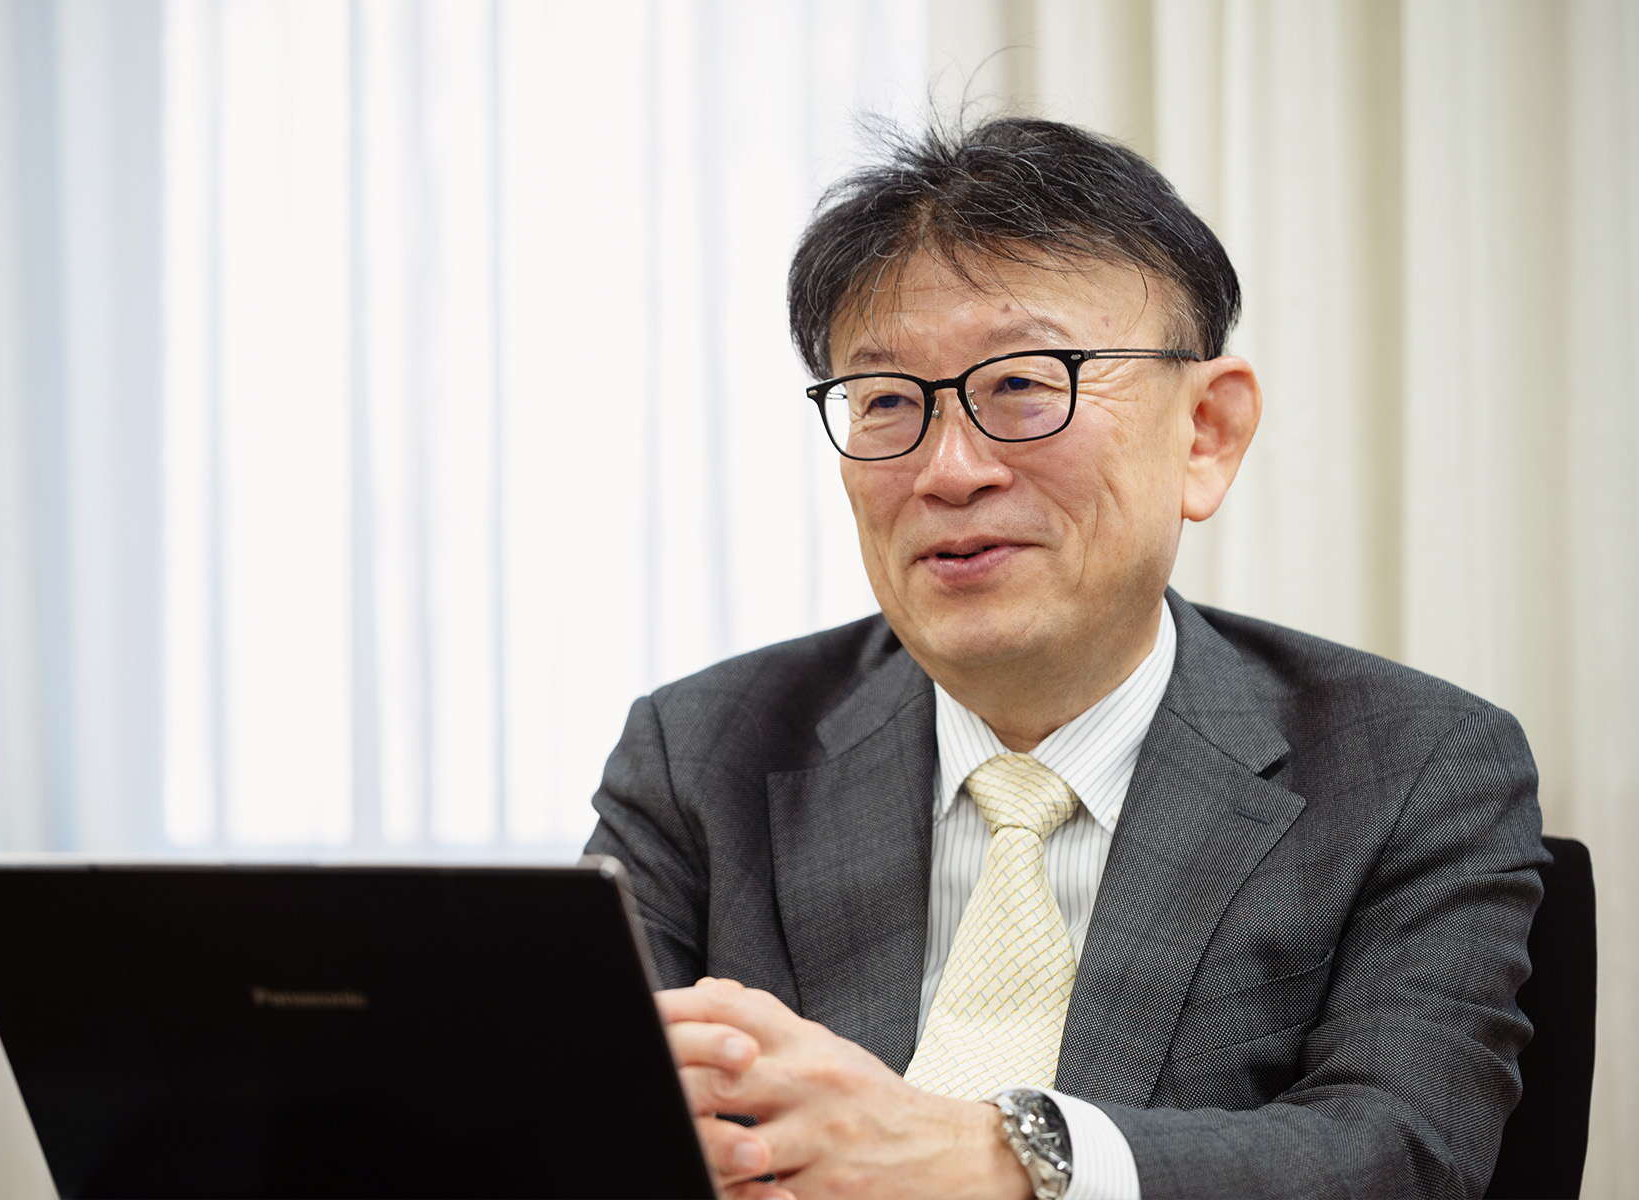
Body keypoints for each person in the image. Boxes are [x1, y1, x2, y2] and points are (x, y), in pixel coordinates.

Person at [584, 118, 1545, 1200]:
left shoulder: (1410, 766)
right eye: (889, 401)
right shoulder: (700, 750)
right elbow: (562, 1111)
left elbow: (1404, 1156)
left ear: (1206, 434)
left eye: (1024, 384)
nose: (948, 471)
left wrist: (990, 1159)